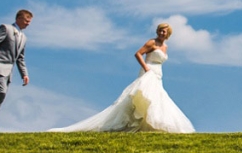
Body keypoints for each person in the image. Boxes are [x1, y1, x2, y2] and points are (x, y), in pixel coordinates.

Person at [49, 23, 194, 133]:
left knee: (157, 98)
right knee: (144, 95)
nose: (162, 33)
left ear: (168, 33)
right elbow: (138, 53)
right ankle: (131, 122)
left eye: (165, 31)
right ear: (157, 31)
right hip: (148, 71)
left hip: (158, 73)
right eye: (161, 30)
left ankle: (150, 124)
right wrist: (146, 67)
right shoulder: (151, 43)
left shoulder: (165, 47)